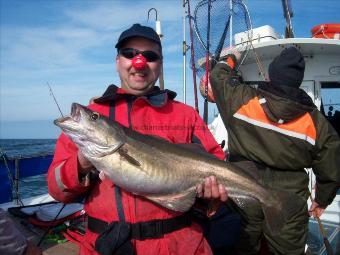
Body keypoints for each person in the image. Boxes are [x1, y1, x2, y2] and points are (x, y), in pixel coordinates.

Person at [47, 23, 227, 255]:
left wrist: (210, 198)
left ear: (160, 65)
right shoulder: (90, 122)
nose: (138, 62)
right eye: (129, 54)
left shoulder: (185, 114)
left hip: (179, 246)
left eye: (149, 56)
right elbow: (56, 189)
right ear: (118, 61)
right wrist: (82, 163)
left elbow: (217, 166)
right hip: (106, 246)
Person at [208, 46, 340, 254]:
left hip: (242, 191)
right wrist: (322, 199)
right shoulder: (317, 123)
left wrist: (231, 57)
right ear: (297, 81)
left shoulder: (242, 100)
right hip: (288, 201)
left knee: (243, 245)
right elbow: (331, 169)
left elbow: (218, 76)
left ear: (270, 75)